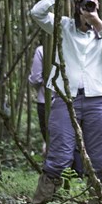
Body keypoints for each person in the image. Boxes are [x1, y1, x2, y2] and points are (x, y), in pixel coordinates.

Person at [29, 0, 102, 204]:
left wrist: (97, 23)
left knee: (101, 159)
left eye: (93, 3)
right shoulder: (63, 26)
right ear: (76, 7)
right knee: (59, 155)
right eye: (85, 3)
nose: (88, 7)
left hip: (98, 100)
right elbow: (37, 13)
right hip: (66, 98)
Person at [28, 44, 83, 177]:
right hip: (72, 100)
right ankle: (75, 178)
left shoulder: (42, 50)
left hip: (46, 101)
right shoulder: (74, 47)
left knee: (54, 144)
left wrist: (44, 81)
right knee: (74, 142)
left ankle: (55, 181)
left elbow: (35, 78)